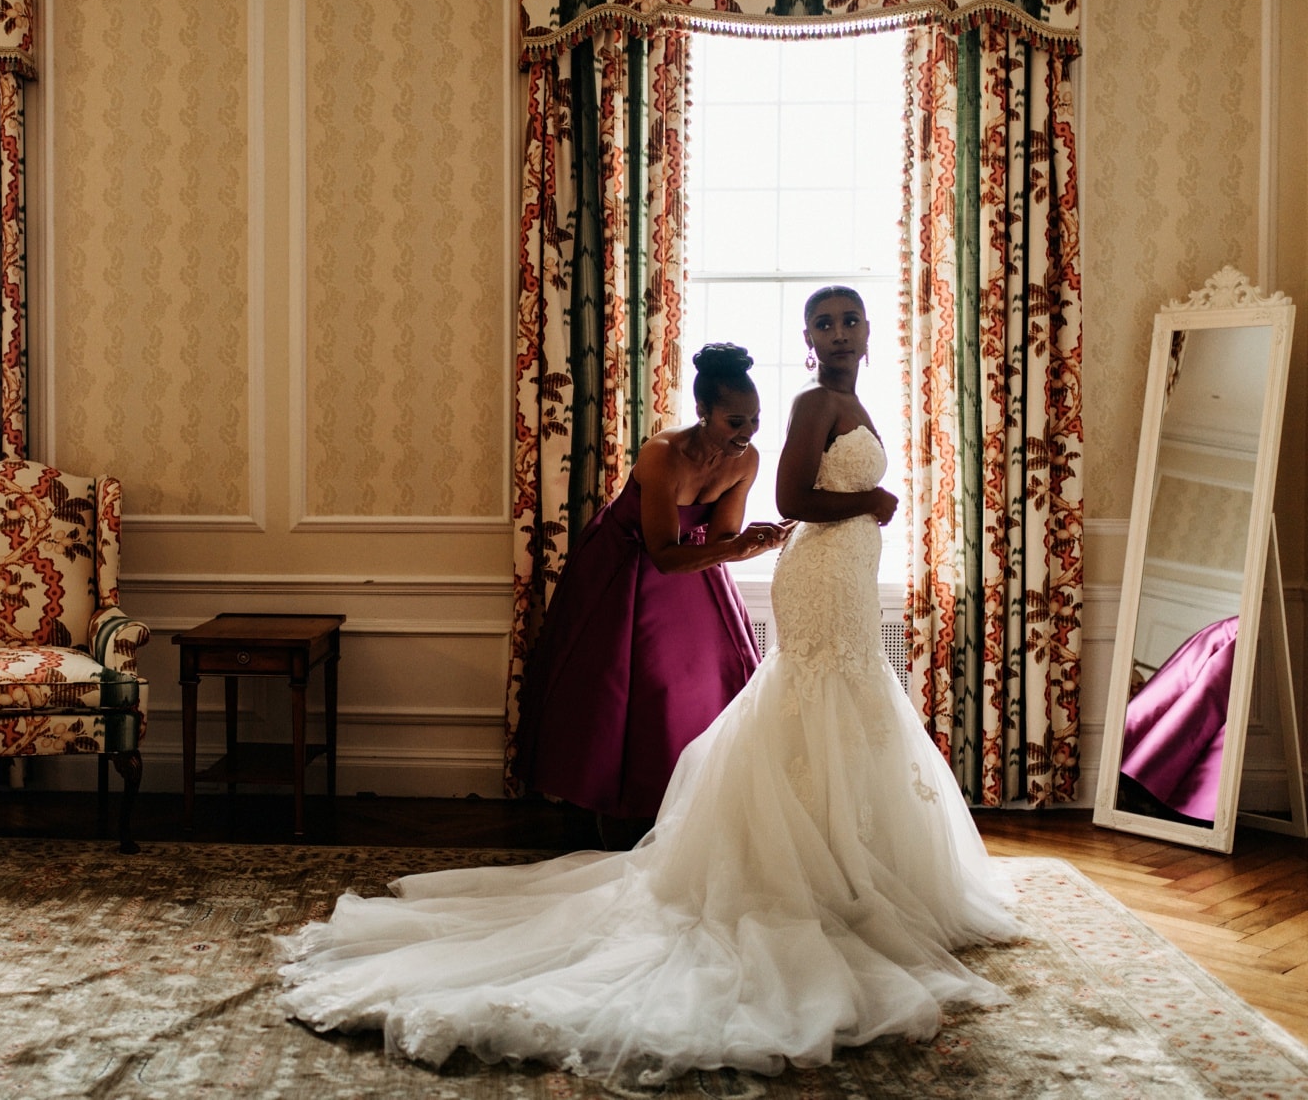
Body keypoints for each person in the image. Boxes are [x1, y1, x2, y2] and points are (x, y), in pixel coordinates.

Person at [276, 287, 1020, 1084]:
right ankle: (644, 823)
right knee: (629, 698)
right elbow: (725, 528)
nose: (839, 333)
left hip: (798, 572)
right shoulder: (709, 437)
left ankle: (846, 864)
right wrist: (865, 503)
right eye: (824, 322)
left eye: (850, 320)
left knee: (773, 703)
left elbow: (735, 529)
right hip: (636, 570)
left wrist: (751, 544)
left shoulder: (791, 428)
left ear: (869, 331)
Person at [512, 343, 788, 843]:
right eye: (734, 421)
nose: (745, 433)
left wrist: (756, 544)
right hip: (626, 566)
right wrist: (736, 547)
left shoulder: (745, 461)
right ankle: (604, 808)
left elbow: (722, 540)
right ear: (703, 412)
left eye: (754, 420)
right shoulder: (662, 455)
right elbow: (662, 551)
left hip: (696, 565)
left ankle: (687, 800)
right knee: (620, 688)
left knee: (706, 679)